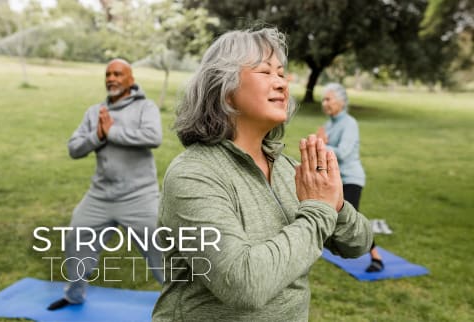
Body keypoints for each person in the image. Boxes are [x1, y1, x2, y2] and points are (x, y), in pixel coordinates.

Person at [151, 28, 373, 322]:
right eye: (265, 72)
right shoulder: (193, 175)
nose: (281, 83)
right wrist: (319, 211)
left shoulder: (289, 170)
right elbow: (243, 285)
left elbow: (359, 242)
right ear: (224, 87)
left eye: (281, 73)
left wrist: (335, 203)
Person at [47, 58, 164, 310]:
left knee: (161, 250)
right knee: (75, 240)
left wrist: (111, 133)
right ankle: (74, 295)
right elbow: (74, 149)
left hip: (139, 196)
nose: (111, 78)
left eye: (118, 74)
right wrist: (98, 135)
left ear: (130, 80)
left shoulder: (146, 107)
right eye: (108, 74)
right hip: (100, 196)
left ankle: (184, 303)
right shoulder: (94, 112)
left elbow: (153, 137)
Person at [316, 82, 384, 273]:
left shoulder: (350, 123)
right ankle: (325, 246)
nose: (324, 103)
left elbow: (343, 153)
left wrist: (321, 144)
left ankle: (377, 258)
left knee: (353, 219)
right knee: (331, 214)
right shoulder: (329, 124)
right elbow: (326, 152)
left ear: (341, 102)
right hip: (335, 179)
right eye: (323, 99)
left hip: (351, 177)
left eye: (328, 99)